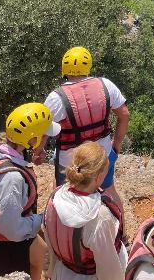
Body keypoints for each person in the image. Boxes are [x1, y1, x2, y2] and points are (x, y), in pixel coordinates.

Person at [0, 102, 61, 280]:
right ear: (32, 139)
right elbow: (11, 230)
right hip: (5, 250)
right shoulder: (12, 179)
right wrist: (43, 218)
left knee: (42, 252)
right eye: (44, 136)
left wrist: (32, 154)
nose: (47, 139)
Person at [43, 140, 129, 280]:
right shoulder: (100, 216)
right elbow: (108, 267)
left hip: (61, 276)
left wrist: (51, 271)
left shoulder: (55, 197)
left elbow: (49, 238)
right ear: (98, 177)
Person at [44, 46, 130, 209]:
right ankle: (120, 225)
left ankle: (60, 222)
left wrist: (38, 151)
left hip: (71, 162)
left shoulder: (56, 98)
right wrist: (116, 146)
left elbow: (44, 131)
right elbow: (124, 114)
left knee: (61, 194)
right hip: (102, 155)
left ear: (64, 68)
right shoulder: (106, 85)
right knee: (109, 191)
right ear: (88, 66)